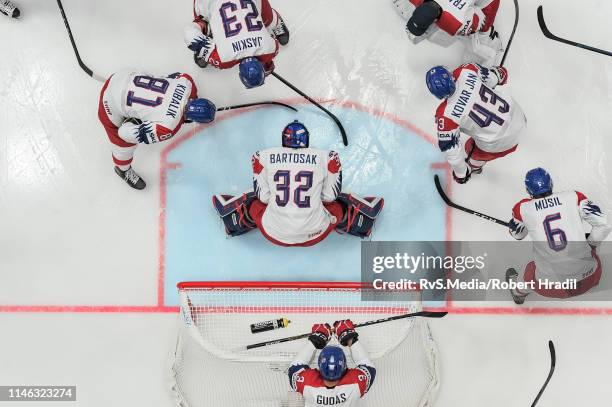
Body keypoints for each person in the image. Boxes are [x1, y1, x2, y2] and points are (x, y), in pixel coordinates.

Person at [212, 120, 384, 246]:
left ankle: (235, 221)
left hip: (274, 233)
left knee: (255, 205)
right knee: (337, 206)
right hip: (316, 234)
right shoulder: (325, 157)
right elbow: (330, 196)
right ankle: (360, 223)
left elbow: (263, 198)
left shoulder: (263, 156)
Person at [506, 168, 611, 302]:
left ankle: (518, 292)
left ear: (528, 190)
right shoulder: (574, 197)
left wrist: (514, 225)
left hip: (552, 288)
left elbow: (518, 235)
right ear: (551, 183)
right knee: (588, 248)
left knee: (531, 267)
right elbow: (604, 224)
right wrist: (591, 244)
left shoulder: (522, 208)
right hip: (591, 278)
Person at [98, 70, 216, 189]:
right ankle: (122, 170)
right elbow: (124, 133)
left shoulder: (187, 82)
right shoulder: (168, 127)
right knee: (122, 145)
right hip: (109, 103)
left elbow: (177, 77)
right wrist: (134, 122)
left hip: (120, 76)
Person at [427, 63, 526, 184]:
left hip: (503, 142)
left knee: (470, 148)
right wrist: (496, 73)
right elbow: (500, 75)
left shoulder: (445, 115)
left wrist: (461, 173)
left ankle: (475, 167)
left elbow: (452, 151)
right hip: (519, 116)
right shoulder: (466, 70)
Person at [184, 0, 289, 88]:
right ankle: (276, 22)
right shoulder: (223, 59)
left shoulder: (270, 49)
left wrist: (267, 64)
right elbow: (189, 32)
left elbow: (265, 53)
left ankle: (276, 22)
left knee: (266, 19)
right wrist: (202, 48)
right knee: (204, 26)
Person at [288, 320, 376, 406]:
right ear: (344, 366)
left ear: (319, 365)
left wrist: (315, 340)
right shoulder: (356, 384)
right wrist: (350, 338)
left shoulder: (307, 384)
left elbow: (294, 368)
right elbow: (368, 366)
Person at [392, 0, 503, 65]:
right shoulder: (455, 21)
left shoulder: (455, 21)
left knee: (481, 25)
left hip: (454, 16)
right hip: (446, 19)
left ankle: (485, 42)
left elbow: (476, 24)